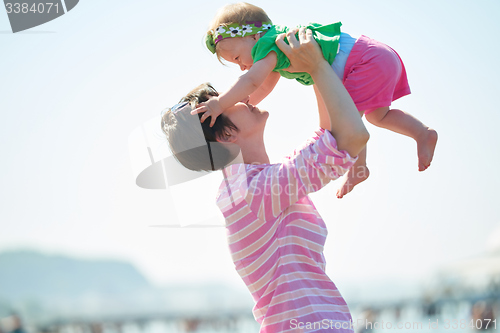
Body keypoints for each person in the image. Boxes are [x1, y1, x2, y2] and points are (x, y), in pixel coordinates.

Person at [162, 27, 368, 332]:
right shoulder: (252, 192)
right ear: (225, 134)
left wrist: (314, 65)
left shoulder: (252, 186)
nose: (241, 93)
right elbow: (351, 136)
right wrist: (318, 66)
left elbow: (329, 136)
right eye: (225, 99)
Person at [195, 2, 438, 198]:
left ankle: (358, 167)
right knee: (378, 115)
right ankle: (421, 133)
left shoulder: (268, 44)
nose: (241, 66)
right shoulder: (273, 48)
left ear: (254, 36)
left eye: (237, 57)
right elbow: (264, 85)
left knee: (346, 119)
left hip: (363, 63)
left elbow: (252, 81)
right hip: (377, 56)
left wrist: (220, 104)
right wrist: (244, 104)